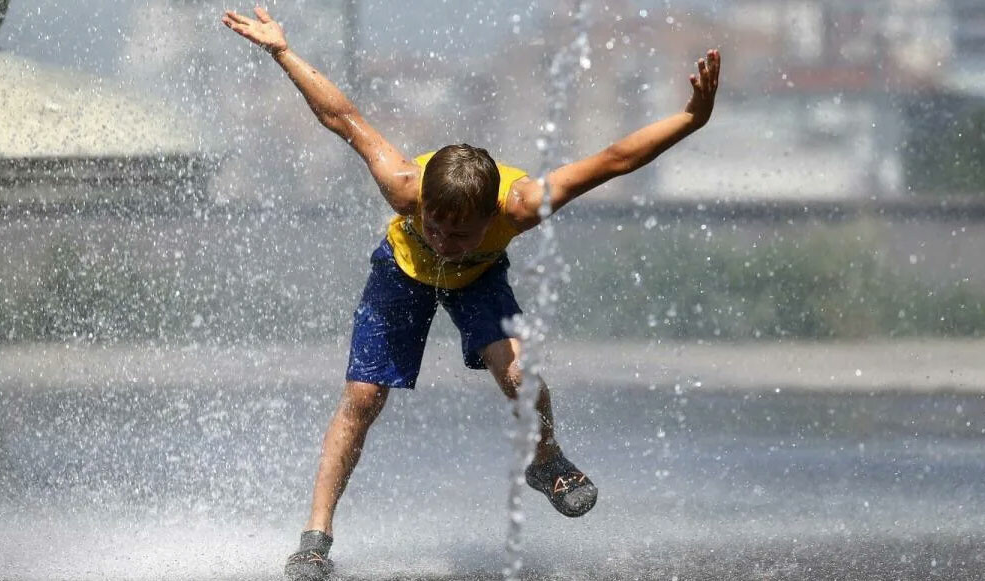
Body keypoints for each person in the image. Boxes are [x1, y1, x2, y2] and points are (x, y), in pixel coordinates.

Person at [222, 6, 721, 580]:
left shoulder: (523, 205)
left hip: (480, 281)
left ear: (492, 216)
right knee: (362, 397)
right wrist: (282, 51)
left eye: (461, 232)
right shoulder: (405, 186)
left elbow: (613, 160)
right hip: (400, 274)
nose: (445, 240)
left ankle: (547, 461)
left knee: (517, 375)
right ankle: (315, 539)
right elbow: (341, 116)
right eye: (435, 226)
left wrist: (690, 119)